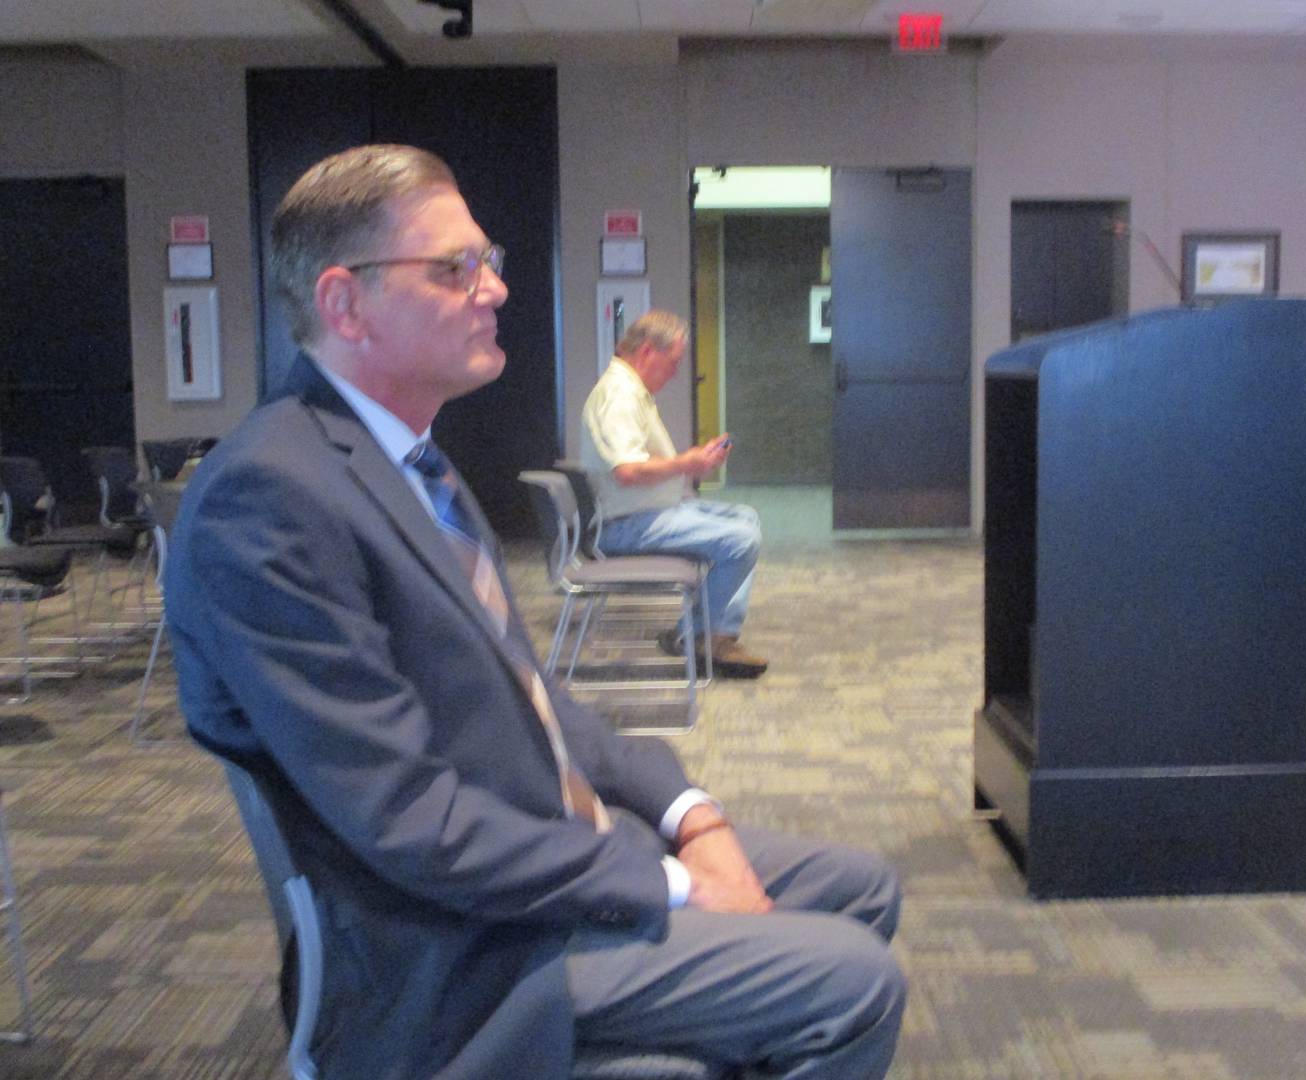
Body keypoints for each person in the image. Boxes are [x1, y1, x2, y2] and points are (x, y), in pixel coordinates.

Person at [165, 145, 904, 1080]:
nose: (496, 289)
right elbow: (406, 820)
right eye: (454, 268)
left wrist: (689, 812)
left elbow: (536, 699)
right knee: (854, 982)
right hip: (464, 946)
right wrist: (670, 883)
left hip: (548, 851)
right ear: (345, 303)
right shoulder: (270, 498)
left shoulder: (409, 462)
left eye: (490, 260)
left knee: (862, 889)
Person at [580, 311, 768, 678]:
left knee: (746, 518)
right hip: (628, 524)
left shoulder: (632, 390)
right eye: (674, 362)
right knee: (740, 539)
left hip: (648, 512)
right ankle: (700, 636)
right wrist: (687, 463)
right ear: (648, 351)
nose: (676, 372)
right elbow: (628, 470)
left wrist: (693, 463)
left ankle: (712, 635)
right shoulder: (619, 395)